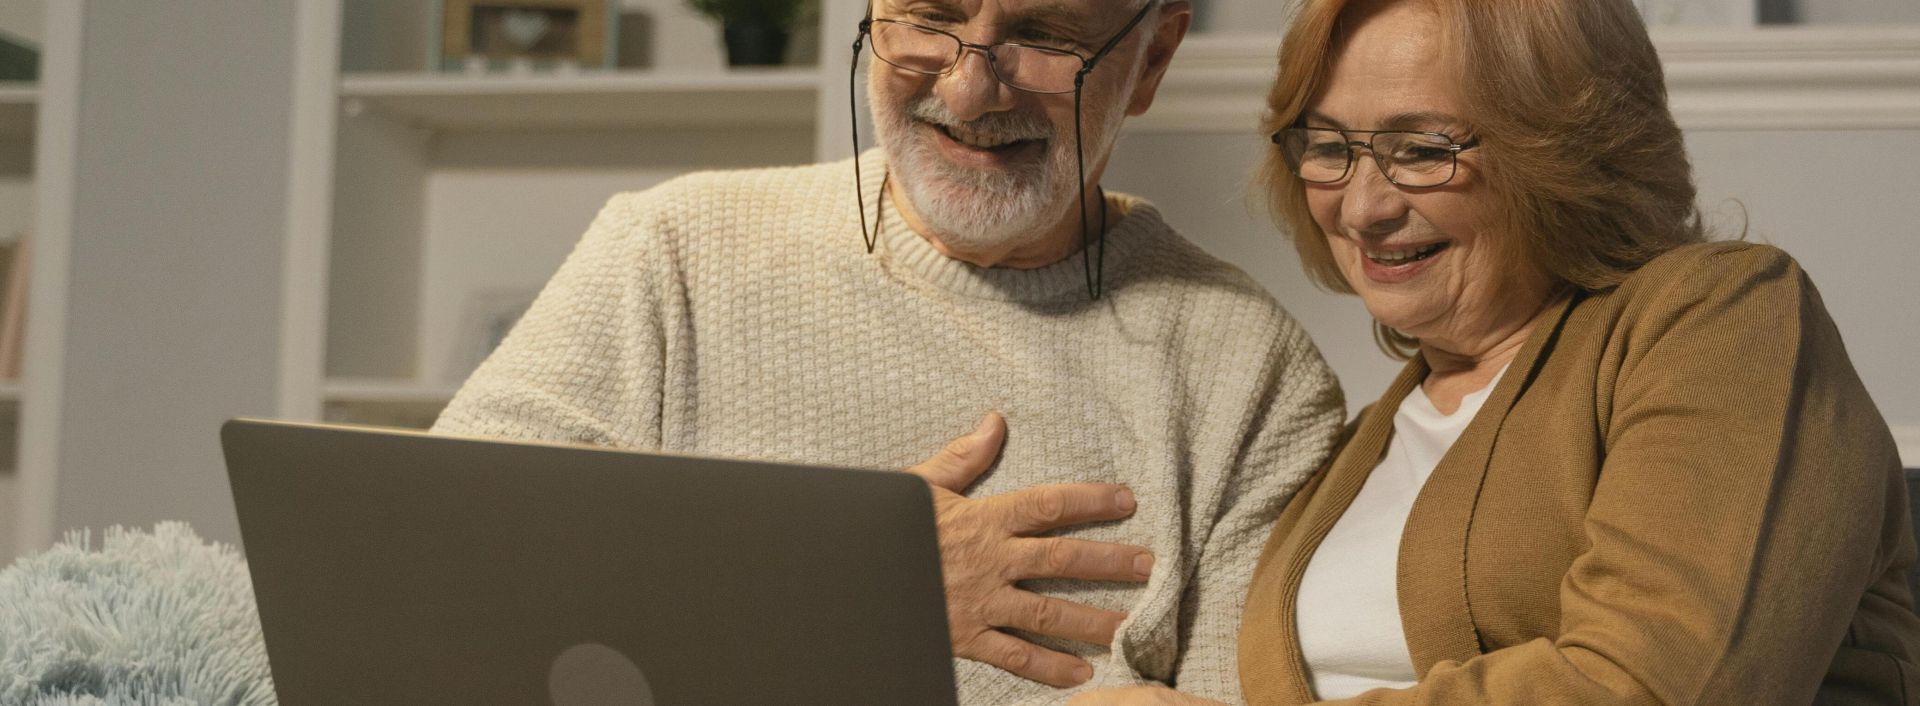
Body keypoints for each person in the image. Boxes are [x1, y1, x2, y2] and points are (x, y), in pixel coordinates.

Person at [431, 1, 1344, 704]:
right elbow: (417, 584)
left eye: (1042, 33)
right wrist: (843, 584)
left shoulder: (1252, 371)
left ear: (1152, 59)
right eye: (931, 17)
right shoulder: (667, 251)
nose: (968, 89)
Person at [1068, 0, 1920, 704]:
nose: (1362, 207)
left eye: (1424, 151)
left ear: (1566, 152)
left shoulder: (1720, 317)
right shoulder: (1364, 440)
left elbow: (1661, 685)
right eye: (1330, 148)